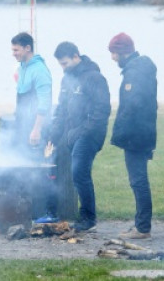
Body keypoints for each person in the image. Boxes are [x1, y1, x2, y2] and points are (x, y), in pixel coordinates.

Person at [47, 42, 111, 232]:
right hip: (71, 133)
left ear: (76, 56)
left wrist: (82, 131)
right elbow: (61, 110)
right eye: (60, 65)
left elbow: (102, 110)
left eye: (65, 63)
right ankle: (60, 212)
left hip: (90, 133)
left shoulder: (94, 78)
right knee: (74, 173)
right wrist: (53, 134)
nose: (63, 68)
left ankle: (88, 217)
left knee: (79, 172)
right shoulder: (66, 80)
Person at [108, 32, 157, 240]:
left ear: (122, 52)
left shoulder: (135, 72)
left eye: (113, 53)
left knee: (138, 181)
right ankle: (140, 224)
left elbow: (132, 105)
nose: (112, 58)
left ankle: (143, 228)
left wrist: (121, 133)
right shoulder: (139, 68)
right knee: (138, 180)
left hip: (136, 135)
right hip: (143, 132)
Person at [10, 31, 54, 223]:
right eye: (12, 49)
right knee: (24, 167)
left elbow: (44, 103)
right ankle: (29, 211)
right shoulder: (23, 67)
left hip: (36, 128)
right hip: (23, 125)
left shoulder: (40, 70)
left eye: (16, 49)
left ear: (28, 48)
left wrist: (36, 129)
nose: (13, 53)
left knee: (39, 169)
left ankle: (46, 212)